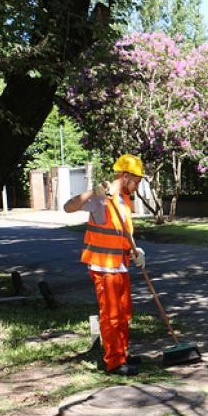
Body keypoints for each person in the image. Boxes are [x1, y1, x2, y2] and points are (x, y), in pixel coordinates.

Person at [64, 154, 146, 376]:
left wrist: (136, 251)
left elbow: (124, 234)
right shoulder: (101, 199)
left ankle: (123, 353)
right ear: (126, 176)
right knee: (111, 314)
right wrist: (93, 191)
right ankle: (115, 362)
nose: (137, 186)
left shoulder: (125, 201)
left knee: (125, 312)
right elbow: (68, 207)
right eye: (136, 181)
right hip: (103, 267)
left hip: (120, 265)